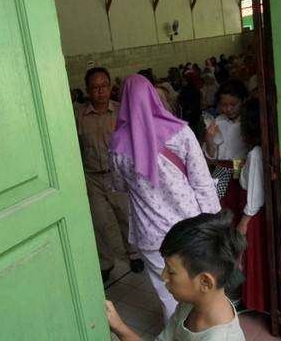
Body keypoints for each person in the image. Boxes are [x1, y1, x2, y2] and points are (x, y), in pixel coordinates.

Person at [109, 74, 221, 322]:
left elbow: (118, 185)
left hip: (150, 234)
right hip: (189, 228)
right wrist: (213, 224)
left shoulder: (117, 143)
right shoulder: (180, 132)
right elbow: (202, 181)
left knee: (167, 294)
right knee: (200, 287)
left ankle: (178, 335)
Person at [106, 212, 246, 341]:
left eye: (171, 272)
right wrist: (119, 326)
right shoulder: (192, 304)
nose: (163, 276)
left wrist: (121, 329)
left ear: (205, 282)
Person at [74, 67, 144, 282]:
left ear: (110, 87)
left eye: (104, 86)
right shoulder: (78, 116)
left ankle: (133, 254)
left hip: (118, 176)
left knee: (125, 216)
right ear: (88, 90)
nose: (100, 92)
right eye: (94, 88)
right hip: (92, 177)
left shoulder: (122, 111)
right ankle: (106, 262)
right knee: (101, 221)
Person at [236, 99, 269, 313]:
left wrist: (244, 221)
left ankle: (256, 302)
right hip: (254, 212)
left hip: (253, 216)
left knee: (253, 259)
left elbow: (255, 195)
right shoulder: (259, 150)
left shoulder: (255, 153)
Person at [203, 79, 249, 222]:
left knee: (240, 204)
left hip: (243, 169)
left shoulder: (248, 122)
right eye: (224, 105)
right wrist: (209, 139)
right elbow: (210, 157)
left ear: (242, 101)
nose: (228, 109)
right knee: (220, 208)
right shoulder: (217, 122)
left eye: (233, 105)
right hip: (222, 170)